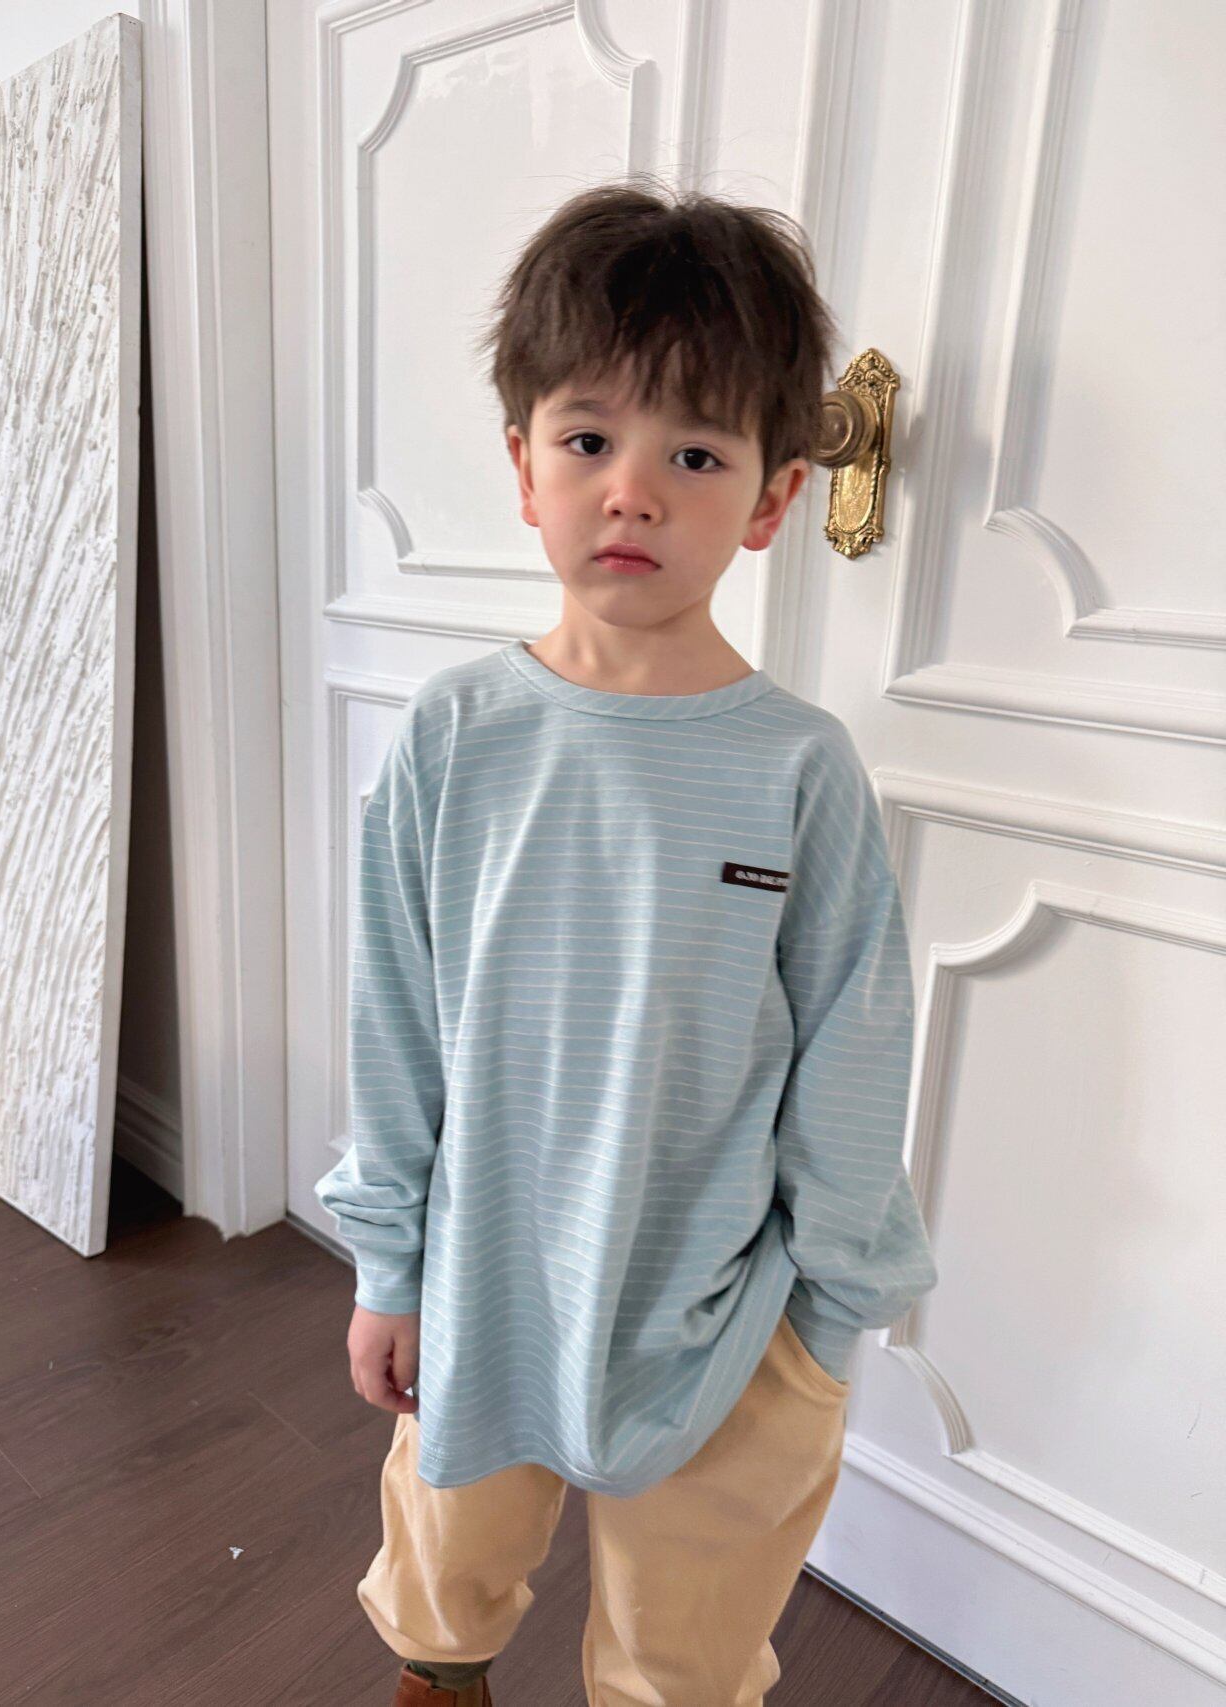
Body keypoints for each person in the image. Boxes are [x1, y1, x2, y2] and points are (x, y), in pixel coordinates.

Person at [314, 174, 940, 1707]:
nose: (633, 492)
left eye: (695, 454)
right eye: (589, 440)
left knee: (683, 1665)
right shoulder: (454, 738)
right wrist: (390, 1264)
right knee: (441, 1603)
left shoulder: (801, 772)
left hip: (728, 1323)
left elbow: (855, 1045)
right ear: (523, 465)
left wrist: (826, 1321)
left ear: (775, 499)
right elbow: (396, 1022)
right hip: (483, 1290)